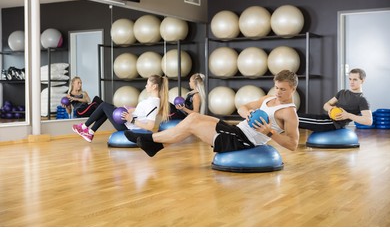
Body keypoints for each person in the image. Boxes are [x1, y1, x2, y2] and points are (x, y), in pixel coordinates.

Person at [124, 69, 300, 157]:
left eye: (283, 89)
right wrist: (248, 112)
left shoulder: (289, 113)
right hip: (237, 130)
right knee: (193, 117)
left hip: (243, 141)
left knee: (192, 124)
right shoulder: (269, 98)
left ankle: (151, 141)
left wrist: (269, 132)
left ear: (293, 89)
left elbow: (293, 145)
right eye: (276, 87)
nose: (278, 92)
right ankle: (155, 145)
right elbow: (242, 107)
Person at [72, 75, 170, 142]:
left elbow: (150, 126)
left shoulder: (153, 102)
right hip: (128, 122)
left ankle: (84, 127)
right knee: (106, 109)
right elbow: (143, 113)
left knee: (103, 105)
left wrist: (131, 119)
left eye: (148, 84)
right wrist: (132, 110)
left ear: (154, 87)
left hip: (128, 126)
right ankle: (90, 132)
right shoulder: (151, 100)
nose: (146, 86)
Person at [298, 68, 373, 132]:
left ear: (362, 80)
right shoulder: (342, 92)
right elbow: (326, 105)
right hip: (325, 118)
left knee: (294, 118)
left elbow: (368, 121)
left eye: (355, 79)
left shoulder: (362, 99)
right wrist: (330, 108)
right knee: (295, 117)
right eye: (350, 79)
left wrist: (348, 115)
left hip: (333, 124)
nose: (351, 82)